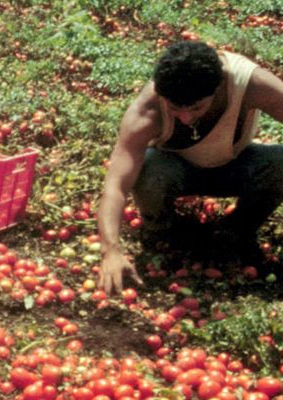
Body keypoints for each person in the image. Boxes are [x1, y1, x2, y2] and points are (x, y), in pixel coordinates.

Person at [98, 40, 283, 294]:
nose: (185, 118)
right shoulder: (147, 110)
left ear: (217, 89)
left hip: (236, 165)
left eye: (197, 107)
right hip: (175, 171)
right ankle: (163, 232)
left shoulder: (250, 84)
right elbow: (116, 184)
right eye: (175, 109)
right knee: (148, 168)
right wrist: (110, 250)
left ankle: (237, 231)